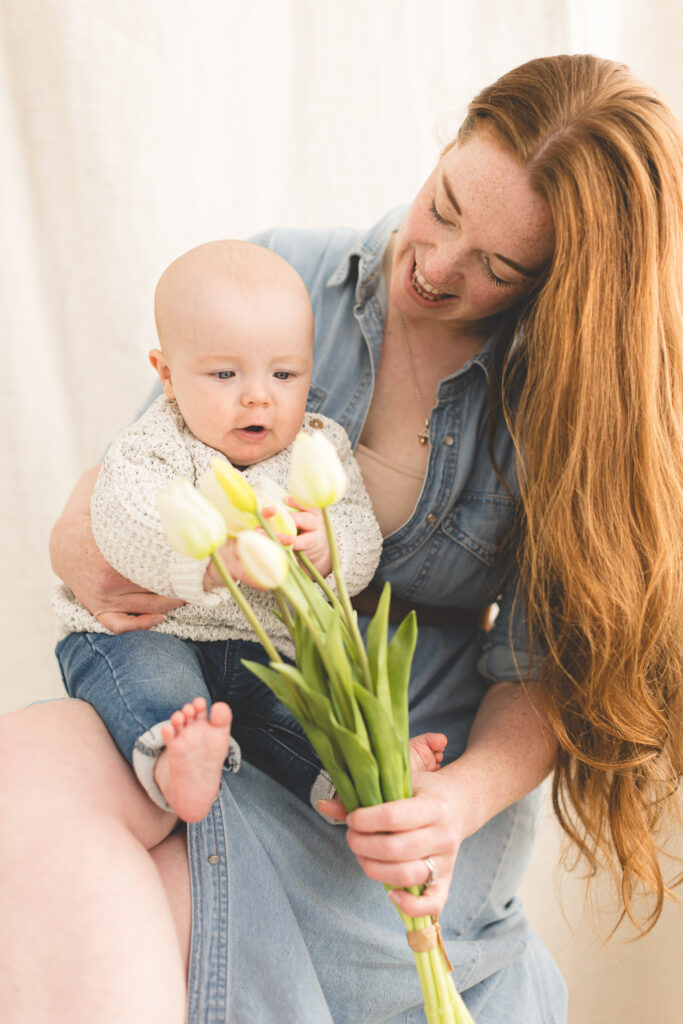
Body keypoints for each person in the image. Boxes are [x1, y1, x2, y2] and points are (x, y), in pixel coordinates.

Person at [2, 53, 682, 1024]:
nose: (436, 265)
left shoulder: (567, 413)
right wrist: (99, 548)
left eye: (496, 266)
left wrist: (449, 806)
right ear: (448, 143)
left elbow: (541, 671)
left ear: (558, 283)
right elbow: (131, 484)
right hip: (224, 695)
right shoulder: (284, 282)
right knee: (33, 769)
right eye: (443, 203)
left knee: (134, 876)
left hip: (404, 783)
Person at [53, 238, 386, 824]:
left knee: (302, 708)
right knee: (155, 686)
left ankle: (356, 774)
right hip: (158, 632)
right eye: (225, 373)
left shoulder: (318, 446)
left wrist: (330, 549)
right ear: (169, 376)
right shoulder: (154, 444)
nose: (258, 394)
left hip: (265, 647)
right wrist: (213, 560)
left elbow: (360, 533)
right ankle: (173, 759)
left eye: (285, 373)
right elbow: (122, 523)